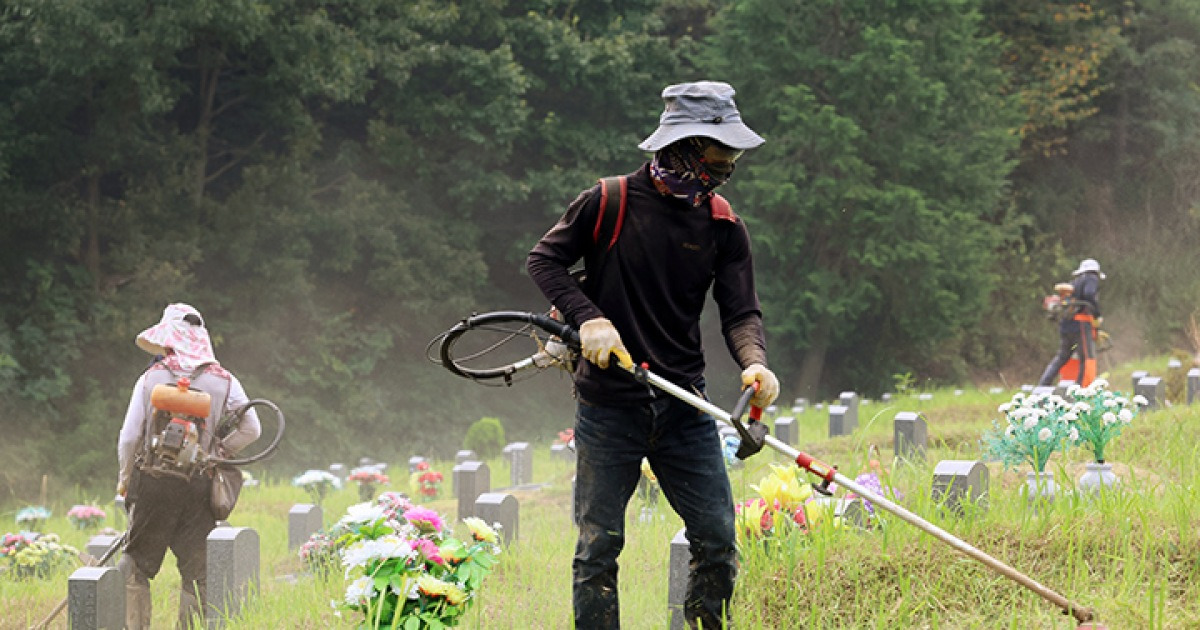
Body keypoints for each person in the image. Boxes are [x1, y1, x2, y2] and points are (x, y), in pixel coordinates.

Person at [527, 81, 780, 629]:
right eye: (719, 155)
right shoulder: (608, 201)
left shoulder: (723, 225)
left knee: (716, 536)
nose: (728, 166)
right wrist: (589, 318)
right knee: (599, 547)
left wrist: (754, 361)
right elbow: (544, 262)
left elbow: (740, 313)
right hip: (609, 408)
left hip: (684, 406)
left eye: (733, 157)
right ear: (685, 148)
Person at [116, 303, 261, 629]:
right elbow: (254, 429)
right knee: (197, 572)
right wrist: (217, 450)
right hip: (200, 484)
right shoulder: (225, 380)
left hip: (153, 484)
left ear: (168, 337)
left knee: (137, 566)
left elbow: (128, 438)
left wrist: (125, 478)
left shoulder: (151, 377)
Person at [1038, 258, 1104, 386]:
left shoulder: (1075, 282)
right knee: (1086, 358)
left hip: (1067, 324)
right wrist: (1097, 315)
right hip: (1082, 325)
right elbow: (1089, 294)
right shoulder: (1091, 277)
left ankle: (1043, 386)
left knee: (1062, 357)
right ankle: (1083, 390)